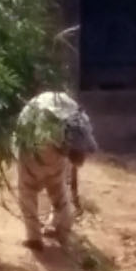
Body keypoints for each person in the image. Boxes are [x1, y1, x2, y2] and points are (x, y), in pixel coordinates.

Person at [13, 90, 97, 249]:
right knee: (56, 190)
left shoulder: (67, 129)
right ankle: (61, 231)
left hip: (40, 148)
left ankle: (35, 237)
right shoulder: (58, 133)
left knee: (29, 191)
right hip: (38, 147)